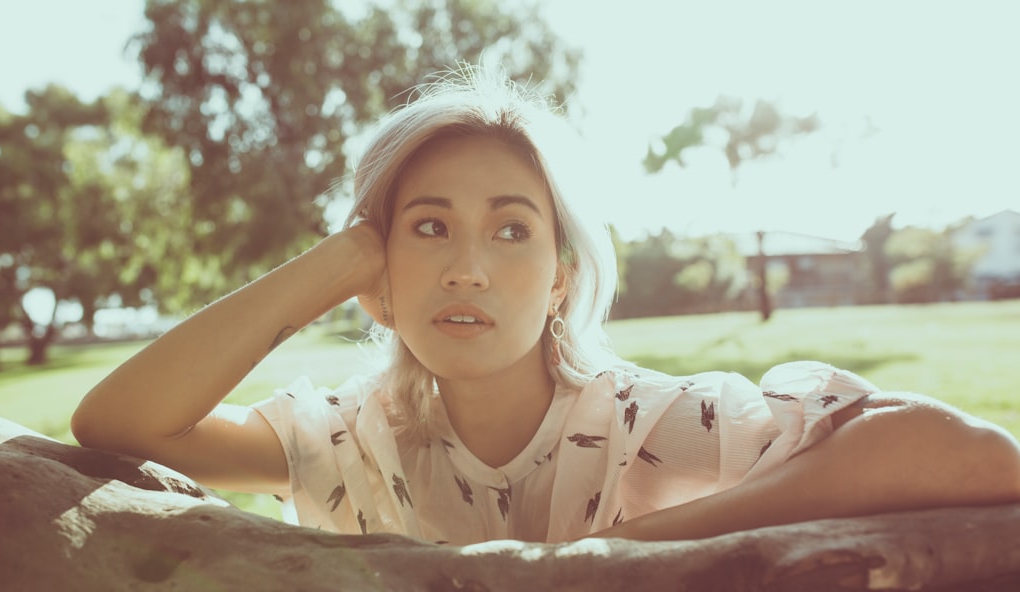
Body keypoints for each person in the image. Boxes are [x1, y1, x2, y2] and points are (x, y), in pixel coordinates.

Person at [71, 70, 1020, 545]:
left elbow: (972, 455)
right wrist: (342, 257)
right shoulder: (342, 438)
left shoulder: (652, 425)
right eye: (429, 229)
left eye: (513, 231)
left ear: (563, 276)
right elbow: (115, 424)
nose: (469, 270)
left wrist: (624, 552)